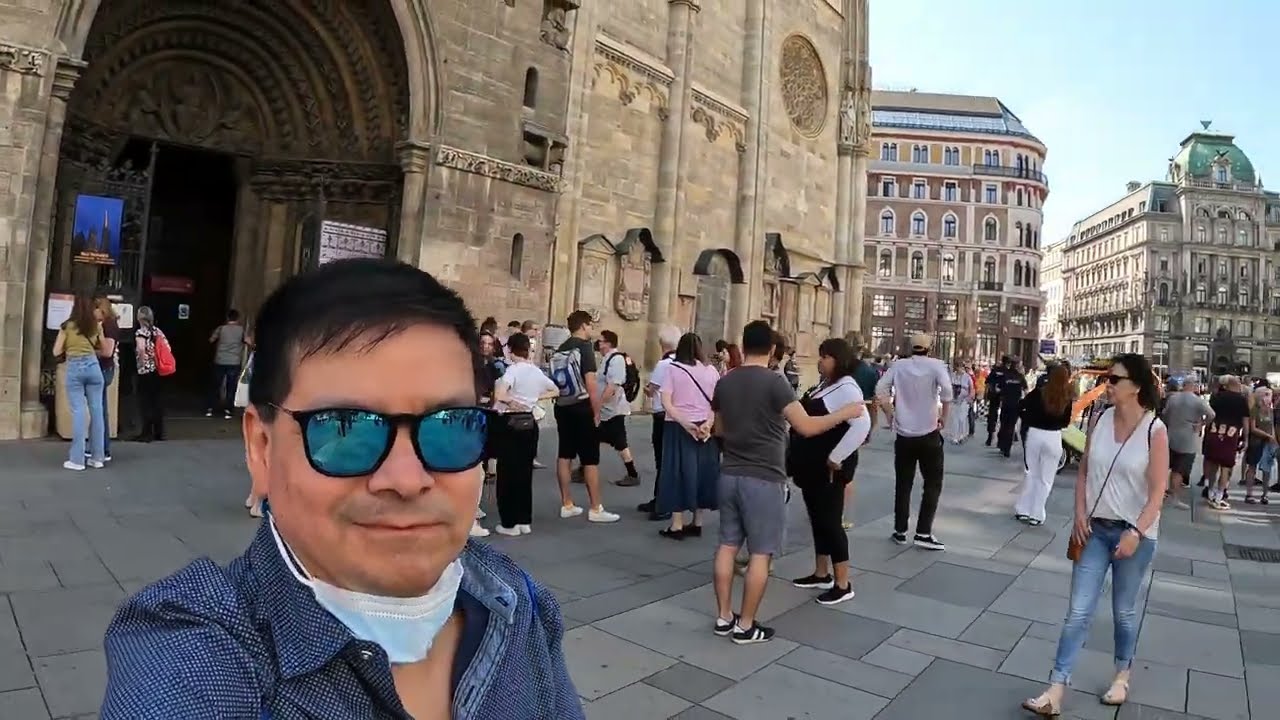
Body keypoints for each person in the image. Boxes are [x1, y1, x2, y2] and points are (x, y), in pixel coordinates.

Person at [100, 258, 584, 719]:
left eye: (449, 426)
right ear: (262, 448)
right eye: (345, 429)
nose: (406, 479)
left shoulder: (517, 603)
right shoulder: (196, 657)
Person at [1022, 354, 1167, 716]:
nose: (1107, 384)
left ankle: (1122, 675)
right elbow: (1084, 472)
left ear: (1135, 385)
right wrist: (1079, 512)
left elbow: (1157, 492)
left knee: (1123, 612)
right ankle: (1056, 688)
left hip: (1135, 536)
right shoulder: (1100, 419)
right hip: (1095, 530)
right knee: (1078, 611)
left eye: (1114, 379)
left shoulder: (1155, 430)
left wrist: (1136, 530)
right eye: (1106, 378)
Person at [711, 321, 864, 644]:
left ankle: (724, 616)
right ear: (770, 350)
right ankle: (746, 624)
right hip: (763, 477)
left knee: (726, 546)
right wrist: (845, 412)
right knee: (761, 553)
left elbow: (719, 430)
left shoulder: (725, 381)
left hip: (729, 474)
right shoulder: (775, 383)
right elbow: (806, 426)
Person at [788, 338, 870, 606]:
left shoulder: (848, 388)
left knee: (831, 522)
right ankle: (821, 572)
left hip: (829, 470)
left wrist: (836, 457)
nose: (820, 361)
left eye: (824, 357)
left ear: (837, 358)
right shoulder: (828, 385)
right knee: (818, 519)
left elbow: (861, 424)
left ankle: (843, 583)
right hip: (812, 468)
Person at [875, 333, 953, 550]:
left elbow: (880, 389)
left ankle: (900, 531)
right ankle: (923, 532)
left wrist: (890, 413)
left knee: (903, 483)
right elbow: (947, 393)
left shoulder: (899, 366)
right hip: (928, 432)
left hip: (904, 434)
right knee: (932, 483)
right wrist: (943, 418)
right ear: (930, 347)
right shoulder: (937, 365)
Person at [549, 310, 619, 522]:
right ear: (583, 326)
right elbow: (590, 383)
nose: (591, 330)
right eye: (590, 326)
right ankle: (596, 508)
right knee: (590, 458)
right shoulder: (584, 348)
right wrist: (596, 411)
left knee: (565, 454)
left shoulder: (561, 348)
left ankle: (567, 503)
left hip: (562, 405)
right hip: (581, 406)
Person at [655, 332, 721, 539]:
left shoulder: (673, 369)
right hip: (705, 428)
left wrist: (686, 423)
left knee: (677, 472)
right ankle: (697, 521)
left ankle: (676, 524)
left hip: (678, 427)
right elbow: (716, 402)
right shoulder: (711, 370)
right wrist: (708, 425)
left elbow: (666, 401)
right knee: (703, 472)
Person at [493, 332, 559, 535]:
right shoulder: (536, 371)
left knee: (506, 473)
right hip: (530, 423)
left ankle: (509, 523)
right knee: (524, 472)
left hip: (511, 422)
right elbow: (556, 390)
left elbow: (499, 394)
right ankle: (524, 519)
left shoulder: (513, 370)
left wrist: (513, 401)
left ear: (511, 350)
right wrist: (535, 398)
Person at [1013, 363, 1074, 526]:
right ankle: (1037, 513)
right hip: (1053, 436)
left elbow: (1020, 406)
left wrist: (1028, 419)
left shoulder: (1039, 393)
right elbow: (1066, 421)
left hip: (1035, 434)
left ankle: (1023, 509)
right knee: (1046, 478)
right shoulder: (1067, 397)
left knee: (1031, 472)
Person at [54, 293, 107, 471]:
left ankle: (77, 459)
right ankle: (97, 457)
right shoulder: (96, 326)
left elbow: (55, 351)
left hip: (75, 367)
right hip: (93, 367)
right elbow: (105, 349)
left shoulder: (67, 326)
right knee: (97, 411)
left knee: (78, 412)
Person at [639, 325, 681, 522]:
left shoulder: (664, 365)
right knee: (667, 460)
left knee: (662, 461)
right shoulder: (682, 362)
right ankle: (659, 499)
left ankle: (664, 503)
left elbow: (652, 388)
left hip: (662, 415)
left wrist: (647, 389)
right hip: (676, 416)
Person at [596, 330, 641, 486]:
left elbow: (612, 386)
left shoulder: (616, 360)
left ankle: (633, 474)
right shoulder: (607, 359)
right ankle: (585, 468)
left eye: (601, 341)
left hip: (613, 410)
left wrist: (598, 404)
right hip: (607, 409)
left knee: (620, 442)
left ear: (608, 343)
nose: (598, 344)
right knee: (592, 437)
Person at [1160, 377, 1211, 509]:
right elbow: (1212, 414)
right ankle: (1175, 498)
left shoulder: (1173, 398)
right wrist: (1201, 424)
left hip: (1171, 435)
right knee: (1179, 470)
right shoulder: (1197, 401)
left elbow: (1165, 415)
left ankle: (1161, 493)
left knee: (1165, 467)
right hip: (1188, 438)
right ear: (1194, 386)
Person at [1202, 375, 1249, 510]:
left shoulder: (1217, 397)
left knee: (1213, 464)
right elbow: (1245, 421)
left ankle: (1210, 490)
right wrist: (1246, 439)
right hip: (1231, 435)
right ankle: (1219, 495)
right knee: (1226, 467)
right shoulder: (1241, 400)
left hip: (1215, 432)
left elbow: (1210, 415)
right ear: (1236, 385)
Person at [133, 306, 166, 442]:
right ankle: (159, 432)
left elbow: (141, 349)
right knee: (156, 401)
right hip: (158, 370)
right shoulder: (157, 331)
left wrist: (141, 363)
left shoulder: (141, 332)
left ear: (139, 317)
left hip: (146, 370)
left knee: (145, 402)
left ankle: (146, 433)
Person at [93, 297, 120, 462]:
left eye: (94, 310)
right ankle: (100, 447)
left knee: (99, 410)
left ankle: (101, 448)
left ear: (100, 309)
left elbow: (107, 352)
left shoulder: (109, 326)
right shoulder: (108, 324)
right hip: (105, 369)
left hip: (103, 369)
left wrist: (86, 351)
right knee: (99, 409)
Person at [205, 309, 246, 419]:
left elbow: (211, 340)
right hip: (234, 362)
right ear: (237, 319)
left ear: (227, 318)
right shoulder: (241, 330)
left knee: (216, 385)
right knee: (231, 386)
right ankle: (228, 411)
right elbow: (249, 341)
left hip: (220, 360)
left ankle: (210, 409)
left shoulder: (221, 328)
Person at [1244, 385, 1276, 505]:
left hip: (1268, 443)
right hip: (1256, 441)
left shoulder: (1270, 411)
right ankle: (1249, 493)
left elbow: (1271, 425)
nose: (1269, 398)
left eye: (1270, 395)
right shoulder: (1254, 410)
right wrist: (1267, 436)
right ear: (1260, 396)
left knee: (1267, 468)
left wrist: (1273, 438)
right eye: (1266, 395)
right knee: (1252, 467)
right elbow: (1253, 428)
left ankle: (1265, 494)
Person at [996, 358, 1028, 457]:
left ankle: (1002, 445)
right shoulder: (1020, 377)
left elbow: (998, 389)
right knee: (1011, 426)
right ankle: (1007, 449)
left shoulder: (1005, 375)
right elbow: (1026, 390)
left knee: (1004, 424)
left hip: (1005, 403)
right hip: (1016, 404)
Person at [944, 360, 974, 444]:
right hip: (954, 400)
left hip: (964, 400)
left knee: (962, 418)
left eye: (959, 367)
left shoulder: (967, 377)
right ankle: (955, 436)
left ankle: (961, 435)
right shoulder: (952, 376)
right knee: (954, 418)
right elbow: (948, 386)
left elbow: (971, 389)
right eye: (956, 367)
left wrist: (969, 398)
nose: (957, 369)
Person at [985, 357, 1010, 445]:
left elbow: (987, 382)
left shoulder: (995, 370)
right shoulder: (1008, 372)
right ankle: (1001, 439)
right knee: (1003, 417)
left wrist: (989, 392)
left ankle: (990, 436)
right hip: (1004, 396)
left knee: (992, 416)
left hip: (994, 395)